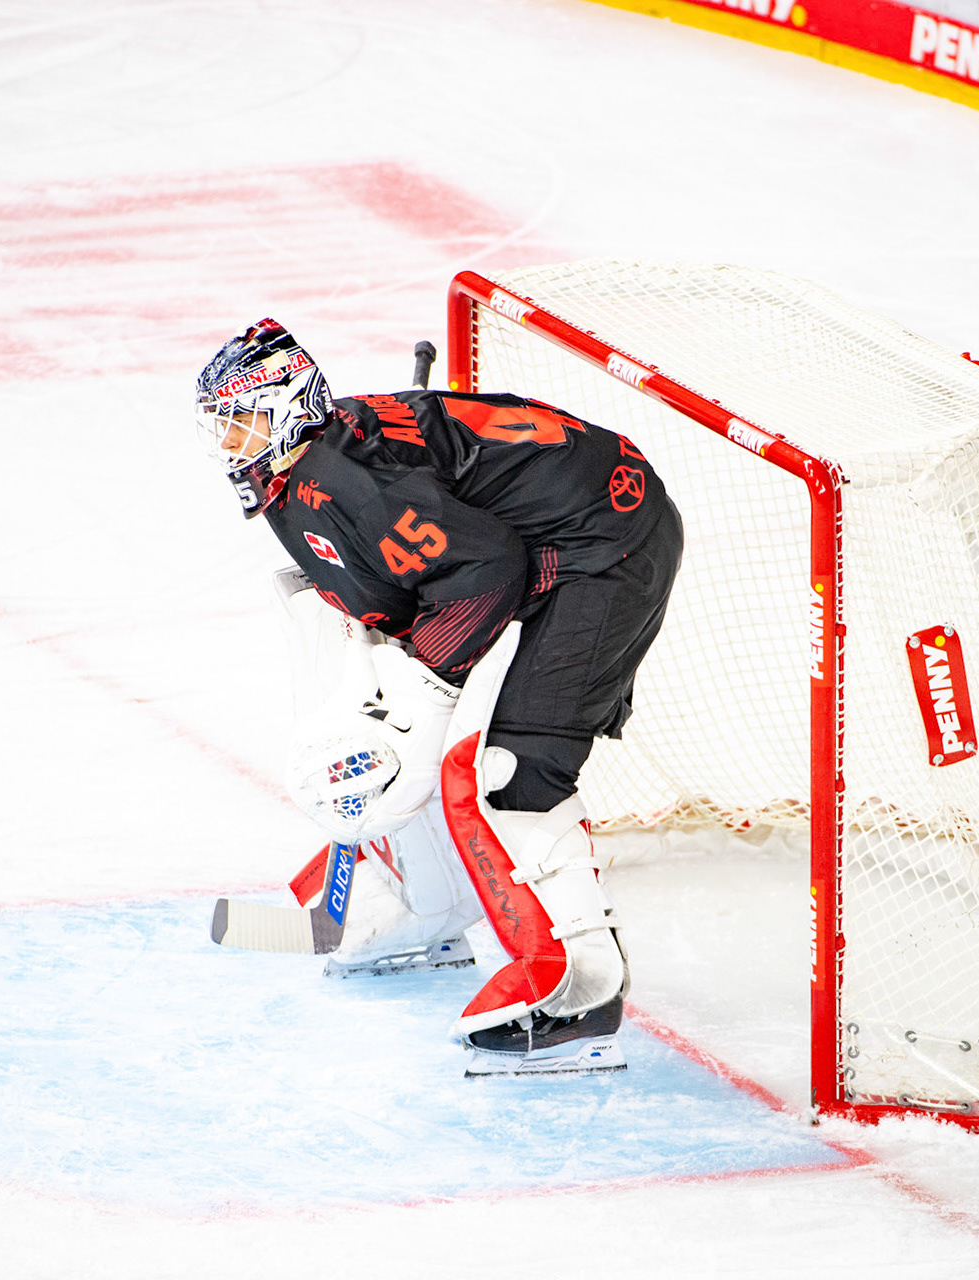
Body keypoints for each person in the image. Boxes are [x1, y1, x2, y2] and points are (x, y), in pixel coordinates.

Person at [196, 317, 682, 1075]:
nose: (229, 443)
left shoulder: (340, 482)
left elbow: (484, 570)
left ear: (287, 407)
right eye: (220, 427)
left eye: (242, 421)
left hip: (605, 540)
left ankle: (583, 989)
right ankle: (419, 906)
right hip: (557, 528)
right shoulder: (314, 470)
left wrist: (420, 698)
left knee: (512, 771)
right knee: (424, 742)